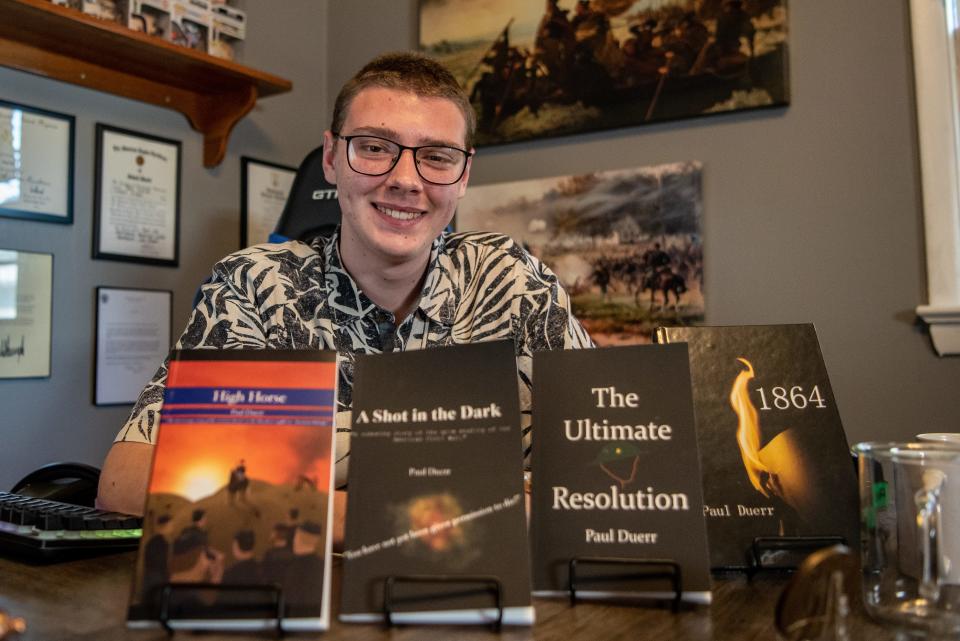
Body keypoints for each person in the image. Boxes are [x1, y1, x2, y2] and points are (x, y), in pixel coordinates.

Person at [97, 51, 594, 544]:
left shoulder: (510, 281)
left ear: (462, 176)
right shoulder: (255, 287)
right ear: (332, 159)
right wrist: (396, 507)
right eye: (376, 147)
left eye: (437, 157)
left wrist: (303, 465)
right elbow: (126, 484)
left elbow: (617, 451)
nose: (405, 180)